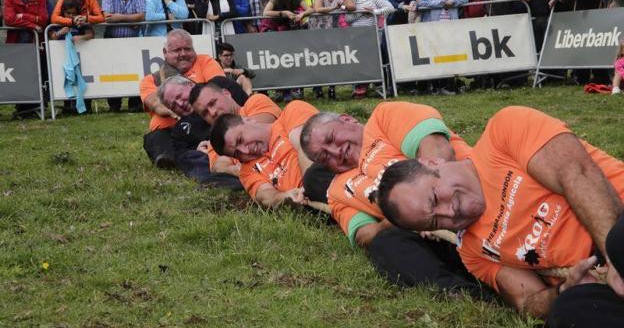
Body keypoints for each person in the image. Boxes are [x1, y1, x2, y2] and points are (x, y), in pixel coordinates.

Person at [376, 106, 624, 326]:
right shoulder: (472, 251)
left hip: (617, 225)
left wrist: (613, 260)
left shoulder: (503, 133)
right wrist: (563, 289)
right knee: (569, 309)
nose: (449, 213)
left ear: (432, 161)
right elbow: (527, 301)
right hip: (602, 281)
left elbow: (576, 174)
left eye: (435, 198)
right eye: (435, 221)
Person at [298, 102, 489, 297]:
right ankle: (463, 294)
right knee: (384, 243)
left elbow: (436, 147)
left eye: (331, 138)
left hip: (472, 196)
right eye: (324, 157)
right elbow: (363, 234)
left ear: (347, 119)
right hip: (440, 240)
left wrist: (425, 203)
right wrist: (400, 221)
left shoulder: (383, 117)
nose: (335, 152)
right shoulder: (337, 191)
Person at [139, 29, 225, 168]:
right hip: (172, 131)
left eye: (187, 49)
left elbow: (217, 88)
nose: (183, 54)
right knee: (155, 138)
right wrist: (181, 114)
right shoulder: (150, 80)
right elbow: (157, 105)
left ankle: (196, 153)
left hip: (205, 123)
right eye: (177, 50)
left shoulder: (205, 61)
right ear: (165, 53)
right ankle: (173, 158)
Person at [209, 101, 319, 208]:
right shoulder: (247, 171)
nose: (246, 151)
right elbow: (266, 195)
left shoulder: (291, 113)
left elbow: (308, 147)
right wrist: (285, 197)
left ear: (248, 120)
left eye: (240, 140)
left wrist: (310, 186)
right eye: (237, 154)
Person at [188, 80, 281, 176]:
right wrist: (236, 170)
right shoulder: (215, 140)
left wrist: (238, 166)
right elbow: (219, 167)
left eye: (212, 103)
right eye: (205, 113)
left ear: (226, 93)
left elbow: (260, 132)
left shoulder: (255, 102)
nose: (212, 112)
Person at [3, 0, 49, 118]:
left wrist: (22, 16)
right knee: (19, 74)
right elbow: (9, 19)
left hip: (35, 43)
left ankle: (33, 108)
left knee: (35, 74)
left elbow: (43, 19)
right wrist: (32, 24)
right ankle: (21, 108)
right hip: (16, 44)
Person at [345, 0, 394, 99]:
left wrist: (374, 12)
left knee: (370, 61)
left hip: (371, 35)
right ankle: (358, 87)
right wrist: (362, 13)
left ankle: (371, 87)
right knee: (358, 61)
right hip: (355, 35)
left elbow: (390, 8)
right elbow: (348, 18)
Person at [101, 0, 145, 113]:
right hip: (112, 40)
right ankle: (114, 105)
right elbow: (108, 18)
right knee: (113, 72)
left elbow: (141, 16)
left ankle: (134, 104)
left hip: (132, 40)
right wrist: (131, 19)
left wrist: (120, 17)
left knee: (135, 71)